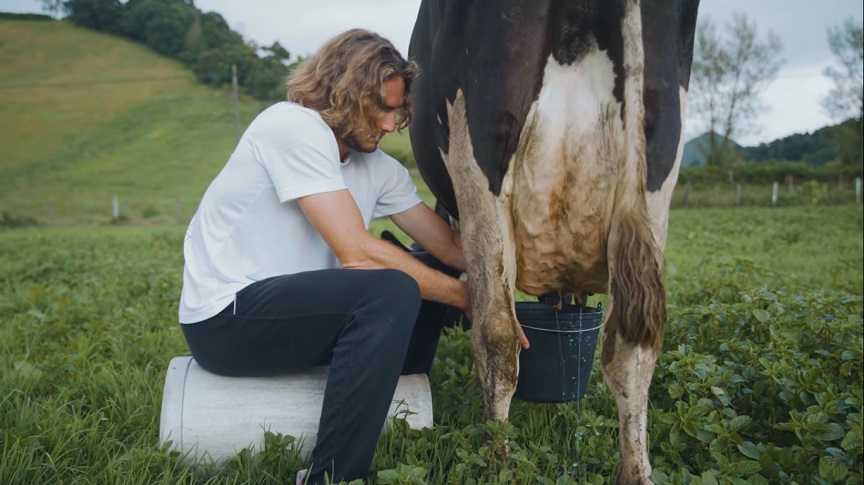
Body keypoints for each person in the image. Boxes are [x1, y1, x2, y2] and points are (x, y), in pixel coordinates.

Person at [178, 29, 471, 485]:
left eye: (398, 110)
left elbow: (450, 248)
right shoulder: (291, 127)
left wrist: (525, 273)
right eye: (382, 109)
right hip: (226, 320)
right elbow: (354, 252)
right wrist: (462, 296)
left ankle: (396, 384)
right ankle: (330, 477)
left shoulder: (377, 167)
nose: (391, 125)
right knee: (392, 287)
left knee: (423, 269)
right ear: (345, 93)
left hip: (295, 319)